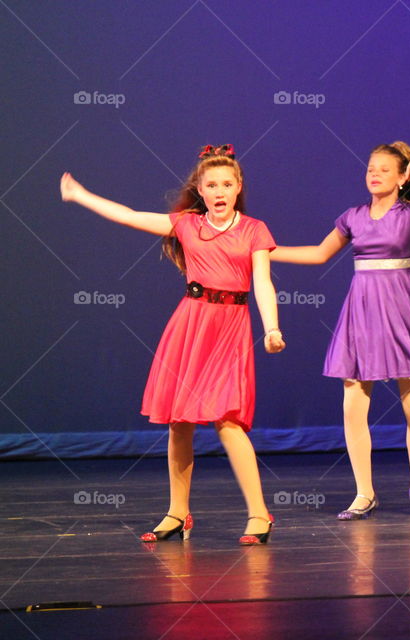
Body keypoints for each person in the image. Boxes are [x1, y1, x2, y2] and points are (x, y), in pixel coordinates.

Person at [60, 144, 285, 545]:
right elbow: (129, 215)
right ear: (200, 189)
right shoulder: (186, 224)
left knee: (228, 421)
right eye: (211, 184)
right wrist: (81, 195)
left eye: (226, 184)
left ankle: (259, 514)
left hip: (230, 328)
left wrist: (271, 329)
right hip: (190, 325)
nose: (219, 191)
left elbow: (263, 283)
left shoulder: (254, 229)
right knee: (179, 422)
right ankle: (178, 513)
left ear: (238, 187)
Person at [272, 141, 410, 519]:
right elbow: (319, 253)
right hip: (363, 312)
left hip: (405, 311)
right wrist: (265, 250)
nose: (374, 174)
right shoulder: (353, 217)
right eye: (370, 168)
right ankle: (364, 493)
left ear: (401, 177)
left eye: (383, 169)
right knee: (353, 406)